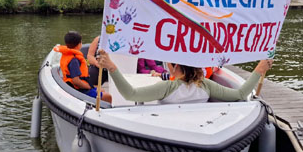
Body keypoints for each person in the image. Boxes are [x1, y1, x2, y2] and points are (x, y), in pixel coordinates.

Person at [97, 49, 272, 104]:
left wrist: (112, 67)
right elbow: (240, 94)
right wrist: (259, 69)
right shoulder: (206, 85)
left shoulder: (166, 88)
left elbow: (131, 95)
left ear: (174, 67)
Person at [55, 31, 112, 103]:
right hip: (80, 90)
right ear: (79, 45)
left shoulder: (66, 55)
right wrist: (88, 86)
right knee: (109, 97)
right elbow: (76, 81)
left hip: (77, 87)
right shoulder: (74, 60)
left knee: (102, 90)